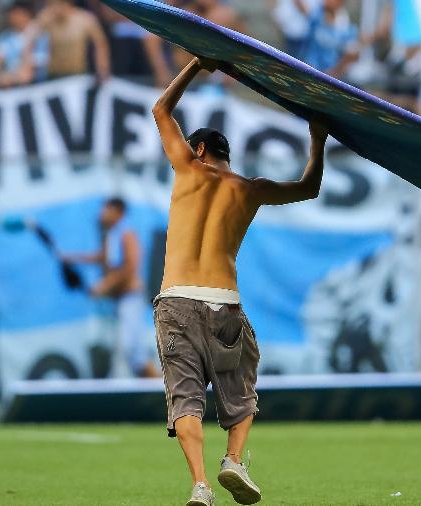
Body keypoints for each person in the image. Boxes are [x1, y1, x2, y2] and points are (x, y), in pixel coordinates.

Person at [152, 57, 328, 506]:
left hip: (175, 300)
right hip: (224, 302)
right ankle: (233, 459)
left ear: (198, 151)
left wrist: (197, 64)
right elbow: (309, 188)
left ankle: (200, 486)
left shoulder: (187, 170)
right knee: (240, 388)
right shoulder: (250, 189)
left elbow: (160, 109)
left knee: (186, 396)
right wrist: (317, 138)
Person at [63, 198, 158, 378]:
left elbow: (130, 267)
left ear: (117, 211)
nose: (102, 213)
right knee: (134, 355)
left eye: (106, 209)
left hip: (131, 298)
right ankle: (160, 391)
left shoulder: (127, 234)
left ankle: (159, 391)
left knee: (129, 348)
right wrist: (72, 258)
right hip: (120, 300)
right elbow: (102, 258)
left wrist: (104, 286)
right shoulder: (112, 235)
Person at [22, 0, 111, 82]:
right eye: (50, 4)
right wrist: (27, 66)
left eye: (55, 4)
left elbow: (100, 44)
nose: (53, 8)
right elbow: (29, 39)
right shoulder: (47, 18)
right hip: (53, 75)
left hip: (78, 73)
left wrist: (102, 69)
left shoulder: (84, 19)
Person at [0, 1, 50, 88]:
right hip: (10, 86)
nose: (10, 16)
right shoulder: (4, 37)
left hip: (36, 87)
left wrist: (30, 40)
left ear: (25, 14)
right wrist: (2, 78)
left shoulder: (40, 36)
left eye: (15, 13)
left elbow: (28, 75)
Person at [296, 0, 359, 78]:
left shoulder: (347, 30)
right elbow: (302, 7)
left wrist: (331, 75)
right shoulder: (316, 15)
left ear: (341, 2)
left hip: (327, 78)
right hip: (306, 71)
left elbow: (351, 57)